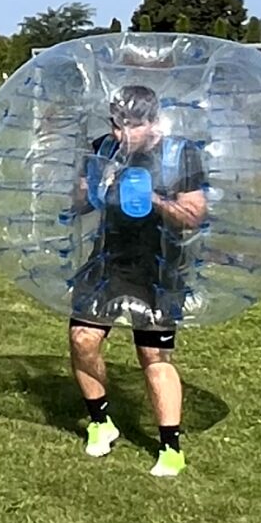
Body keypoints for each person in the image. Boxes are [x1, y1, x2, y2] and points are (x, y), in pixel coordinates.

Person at [68, 83, 208, 479]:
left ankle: (170, 448)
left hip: (158, 266)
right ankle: (100, 422)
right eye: (115, 124)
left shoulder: (181, 153)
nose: (119, 134)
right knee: (82, 339)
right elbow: (76, 202)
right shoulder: (102, 148)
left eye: (128, 125)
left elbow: (195, 214)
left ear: (152, 122)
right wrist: (92, 190)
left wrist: (157, 200)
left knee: (152, 357)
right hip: (108, 259)